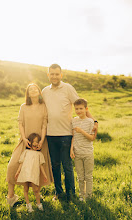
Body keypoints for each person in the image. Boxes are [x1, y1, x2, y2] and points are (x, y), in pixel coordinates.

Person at [42, 64, 98, 201]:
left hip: (66, 133)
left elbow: (81, 105)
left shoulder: (68, 88)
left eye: (57, 74)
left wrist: (94, 121)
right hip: (50, 134)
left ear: (61, 75)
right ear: (48, 75)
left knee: (67, 165)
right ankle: (59, 193)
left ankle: (71, 193)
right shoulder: (44, 91)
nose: (54, 76)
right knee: (54, 165)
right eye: (52, 74)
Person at [6, 83, 53, 207]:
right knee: (12, 165)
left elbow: (44, 124)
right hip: (25, 141)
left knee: (38, 167)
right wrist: (23, 138)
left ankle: (38, 192)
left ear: (39, 91)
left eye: (35, 88)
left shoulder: (43, 106)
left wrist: (42, 140)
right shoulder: (23, 106)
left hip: (39, 142)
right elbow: (20, 123)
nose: (33, 90)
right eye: (30, 89)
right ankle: (11, 196)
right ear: (28, 93)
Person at [15, 133, 48, 212]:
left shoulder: (39, 154)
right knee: (25, 189)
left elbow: (41, 166)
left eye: (37, 142)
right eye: (34, 141)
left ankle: (39, 204)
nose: (35, 143)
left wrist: (44, 175)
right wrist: (18, 172)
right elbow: (21, 163)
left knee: (36, 190)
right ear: (30, 142)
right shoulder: (26, 152)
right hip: (25, 172)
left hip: (34, 174)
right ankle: (28, 205)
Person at [70, 98, 95, 201]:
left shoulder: (90, 122)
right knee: (80, 176)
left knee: (88, 176)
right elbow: (73, 137)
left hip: (88, 153)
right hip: (77, 153)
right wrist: (71, 149)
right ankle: (81, 195)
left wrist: (82, 131)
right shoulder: (73, 121)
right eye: (76, 109)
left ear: (86, 109)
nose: (79, 111)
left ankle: (88, 196)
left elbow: (91, 138)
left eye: (81, 108)